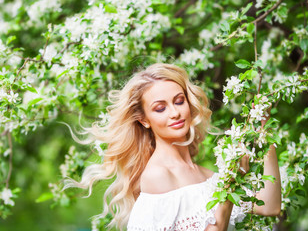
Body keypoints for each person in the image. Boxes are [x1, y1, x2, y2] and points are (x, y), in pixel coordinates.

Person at [64, 63, 281, 231]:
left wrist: (262, 133)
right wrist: (229, 185)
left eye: (179, 101)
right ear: (144, 120)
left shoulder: (206, 175)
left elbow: (270, 206)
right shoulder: (157, 176)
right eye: (160, 108)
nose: (175, 113)